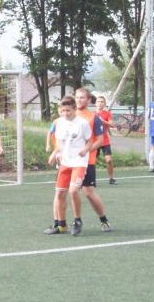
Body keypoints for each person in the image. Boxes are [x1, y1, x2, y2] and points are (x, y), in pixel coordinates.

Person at [45, 95, 93, 235]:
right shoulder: (59, 123)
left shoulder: (82, 123)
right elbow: (60, 143)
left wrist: (85, 150)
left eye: (68, 110)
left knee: (73, 191)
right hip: (65, 162)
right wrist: (54, 153)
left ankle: (77, 221)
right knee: (60, 193)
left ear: (74, 109)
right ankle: (61, 225)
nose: (65, 113)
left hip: (79, 162)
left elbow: (90, 141)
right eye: (63, 110)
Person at [74, 87, 113, 232]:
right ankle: (61, 223)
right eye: (77, 97)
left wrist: (85, 151)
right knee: (64, 191)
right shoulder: (69, 115)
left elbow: (100, 140)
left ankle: (104, 220)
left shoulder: (93, 118)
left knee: (88, 192)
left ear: (89, 100)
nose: (79, 100)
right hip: (69, 162)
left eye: (82, 97)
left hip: (86, 161)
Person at [94, 93, 116, 184]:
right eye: (98, 102)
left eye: (102, 102)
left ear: (105, 104)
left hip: (105, 141)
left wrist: (103, 121)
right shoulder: (92, 114)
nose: (100, 103)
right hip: (95, 141)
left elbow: (112, 124)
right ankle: (90, 179)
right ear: (96, 103)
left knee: (109, 160)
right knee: (91, 162)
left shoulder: (107, 113)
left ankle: (111, 178)